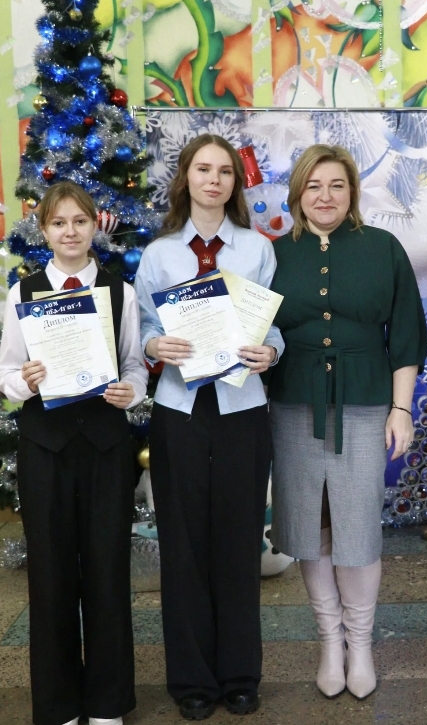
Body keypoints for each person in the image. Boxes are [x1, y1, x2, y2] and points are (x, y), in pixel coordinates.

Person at [267, 144, 427, 700]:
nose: (325, 196)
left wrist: (401, 409)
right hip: (293, 404)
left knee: (356, 525)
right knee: (309, 524)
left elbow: (406, 334)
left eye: (336, 185)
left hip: (364, 401)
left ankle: (360, 644)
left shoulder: (383, 247)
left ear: (352, 192)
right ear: (297, 194)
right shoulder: (273, 254)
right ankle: (329, 643)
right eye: (314, 186)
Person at [134, 134, 283, 721]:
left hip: (242, 411)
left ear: (233, 184)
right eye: (203, 169)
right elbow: (143, 328)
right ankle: (192, 679)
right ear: (186, 178)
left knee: (240, 543)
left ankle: (241, 675)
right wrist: (154, 345)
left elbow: (273, 324)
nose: (214, 180)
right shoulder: (159, 255)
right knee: (184, 545)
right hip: (180, 410)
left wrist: (271, 351)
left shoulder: (256, 249)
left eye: (224, 171)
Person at [0, 180, 148, 725]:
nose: (70, 232)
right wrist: (27, 380)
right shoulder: (23, 293)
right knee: (51, 574)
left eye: (79, 222)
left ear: (93, 227)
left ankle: (108, 703)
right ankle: (58, 704)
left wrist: (132, 392)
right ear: (44, 231)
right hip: (46, 448)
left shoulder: (119, 292)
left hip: (106, 447)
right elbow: (6, 373)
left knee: (108, 570)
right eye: (59, 223)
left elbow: (135, 365)